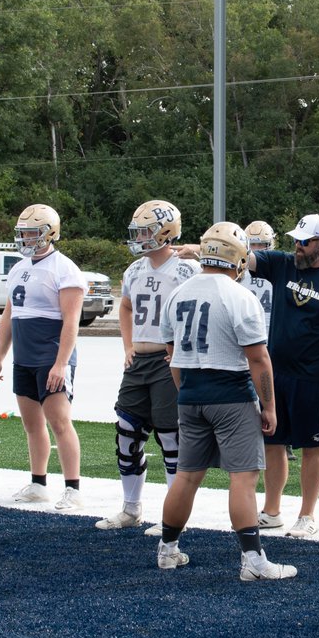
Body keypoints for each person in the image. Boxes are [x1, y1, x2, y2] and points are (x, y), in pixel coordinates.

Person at [155, 222, 296, 581]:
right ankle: (253, 560)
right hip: (230, 393)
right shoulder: (239, 296)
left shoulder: (178, 293)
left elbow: (172, 354)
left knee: (186, 477)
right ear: (239, 257)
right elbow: (259, 359)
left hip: (190, 393)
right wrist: (270, 406)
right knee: (243, 478)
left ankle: (167, 550)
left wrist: (186, 389)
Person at [248, 214, 319, 538]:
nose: (298, 246)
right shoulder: (283, 264)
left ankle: (307, 514)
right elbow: (243, 256)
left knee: (313, 447)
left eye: (305, 241)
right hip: (276, 373)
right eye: (296, 240)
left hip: (314, 375)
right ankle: (271, 510)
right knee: (274, 441)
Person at [97, 200, 199, 535]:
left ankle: (173, 516)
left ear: (166, 231)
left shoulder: (186, 270)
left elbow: (196, 312)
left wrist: (182, 349)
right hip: (138, 362)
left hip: (167, 362)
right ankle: (131, 509)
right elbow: (125, 308)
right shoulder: (133, 270)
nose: (140, 237)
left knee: (171, 438)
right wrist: (127, 345)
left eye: (146, 230)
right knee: (127, 435)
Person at [0, 204, 86, 511]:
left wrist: (60, 363)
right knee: (32, 425)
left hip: (50, 357)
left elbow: (71, 321)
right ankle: (39, 483)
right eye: (24, 233)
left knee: (60, 422)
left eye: (33, 232)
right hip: (24, 358)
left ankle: (73, 488)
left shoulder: (64, 268)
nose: (27, 238)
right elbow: (9, 316)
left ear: (50, 233)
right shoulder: (19, 267)